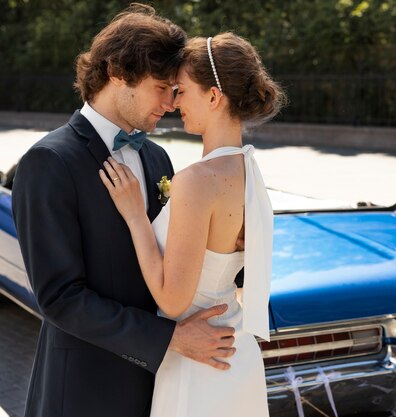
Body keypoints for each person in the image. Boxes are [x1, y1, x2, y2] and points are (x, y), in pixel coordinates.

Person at [12, 5, 237, 417]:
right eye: (161, 87)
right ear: (118, 73)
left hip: (162, 390)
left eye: (176, 90)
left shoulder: (158, 159)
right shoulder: (48, 162)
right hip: (85, 390)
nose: (171, 103)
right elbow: (60, 298)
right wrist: (169, 339)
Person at [99, 32, 286, 416]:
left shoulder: (199, 180)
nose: (173, 103)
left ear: (214, 97)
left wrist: (135, 216)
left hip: (198, 363)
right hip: (234, 352)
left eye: (182, 90)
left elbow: (172, 299)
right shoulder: (248, 170)